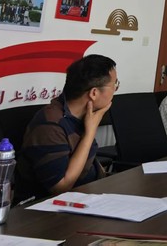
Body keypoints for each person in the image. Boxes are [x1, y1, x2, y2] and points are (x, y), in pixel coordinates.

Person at [16, 54, 118, 200]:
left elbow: (89, 166)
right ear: (94, 93)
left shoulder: (80, 116)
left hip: (88, 195)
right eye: (114, 85)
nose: (115, 90)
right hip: (49, 207)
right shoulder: (50, 126)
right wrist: (90, 133)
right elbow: (61, 187)